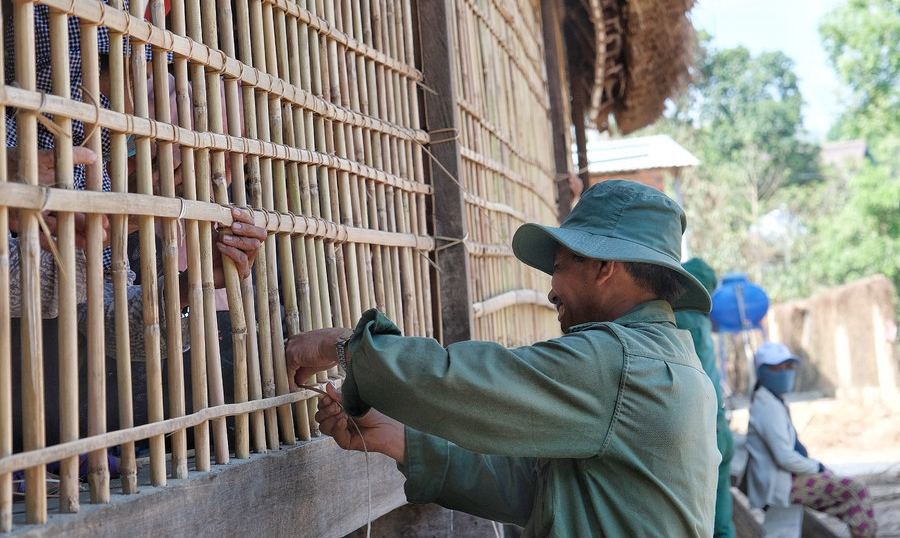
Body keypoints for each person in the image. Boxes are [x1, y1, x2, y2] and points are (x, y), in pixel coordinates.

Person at [285, 180, 719, 536]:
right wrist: (395, 438)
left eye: (560, 265)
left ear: (604, 266)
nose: (551, 290)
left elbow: (460, 381)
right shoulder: (674, 365)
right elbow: (535, 493)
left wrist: (345, 346)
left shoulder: (618, 364)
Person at [745, 341, 877, 537]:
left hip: (786, 480)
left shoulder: (773, 401)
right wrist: (818, 468)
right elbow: (785, 458)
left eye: (788, 366)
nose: (785, 371)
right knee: (856, 491)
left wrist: (817, 468)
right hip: (781, 486)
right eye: (777, 367)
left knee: (848, 491)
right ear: (763, 372)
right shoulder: (768, 407)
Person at [678, 258, 736, 538]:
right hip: (720, 426)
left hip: (702, 431)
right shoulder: (700, 319)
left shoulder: (679, 318)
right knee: (721, 518)